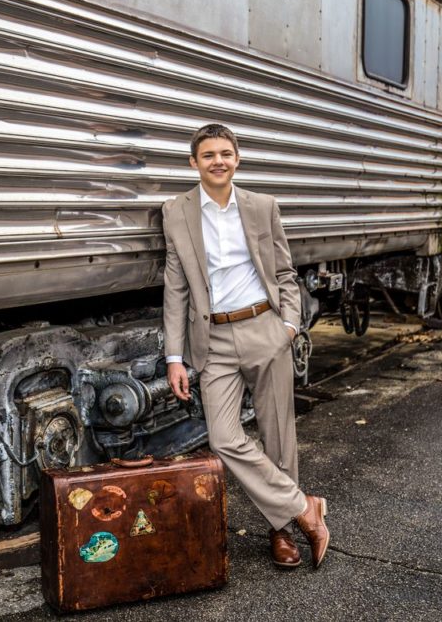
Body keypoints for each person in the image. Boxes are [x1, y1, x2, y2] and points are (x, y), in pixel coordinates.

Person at [162, 123, 330, 569]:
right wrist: (174, 358)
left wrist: (289, 327)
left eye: (226, 153)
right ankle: (302, 507)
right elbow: (175, 289)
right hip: (212, 339)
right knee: (223, 437)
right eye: (208, 154)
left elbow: (285, 272)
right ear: (193, 162)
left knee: (278, 435)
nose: (218, 161)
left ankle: (282, 532)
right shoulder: (175, 212)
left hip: (264, 329)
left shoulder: (261, 207)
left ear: (237, 159)